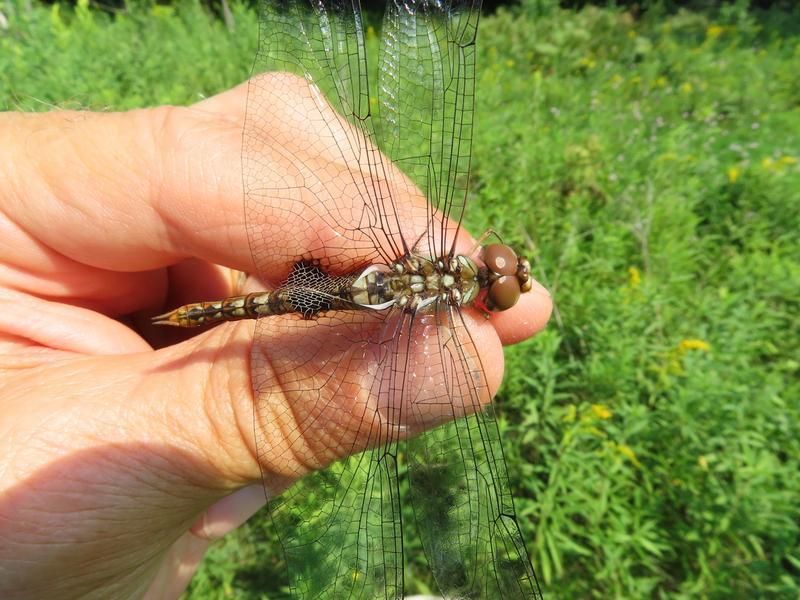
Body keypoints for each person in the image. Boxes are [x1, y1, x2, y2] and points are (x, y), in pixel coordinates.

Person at [0, 76, 552, 599]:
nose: (507, 271)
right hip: (324, 296)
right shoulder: (442, 320)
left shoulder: (442, 266)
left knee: (267, 305)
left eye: (502, 281)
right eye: (502, 271)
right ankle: (207, 318)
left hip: (335, 292)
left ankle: (208, 315)